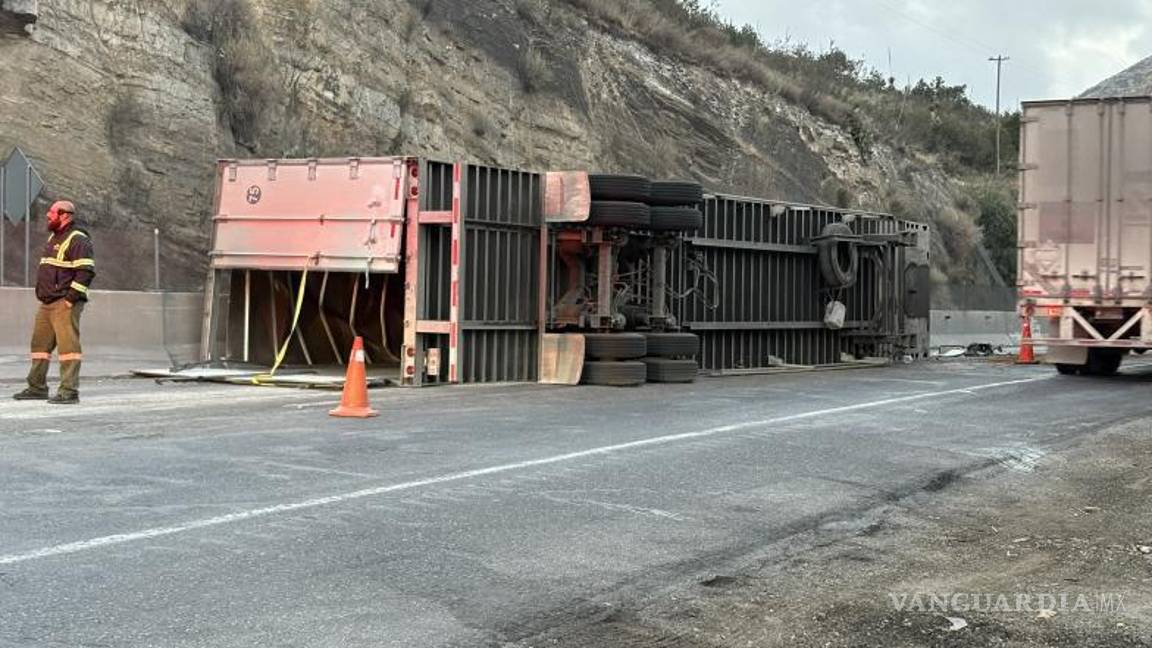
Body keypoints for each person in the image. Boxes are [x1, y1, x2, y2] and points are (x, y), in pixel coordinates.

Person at [12, 200, 96, 404]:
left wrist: (70, 300)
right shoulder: (54, 237)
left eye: (52, 212)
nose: (48, 215)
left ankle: (69, 391)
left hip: (64, 303)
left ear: (65, 215)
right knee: (39, 347)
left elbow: (86, 272)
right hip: (47, 303)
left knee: (68, 350)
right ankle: (37, 388)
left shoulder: (78, 239)